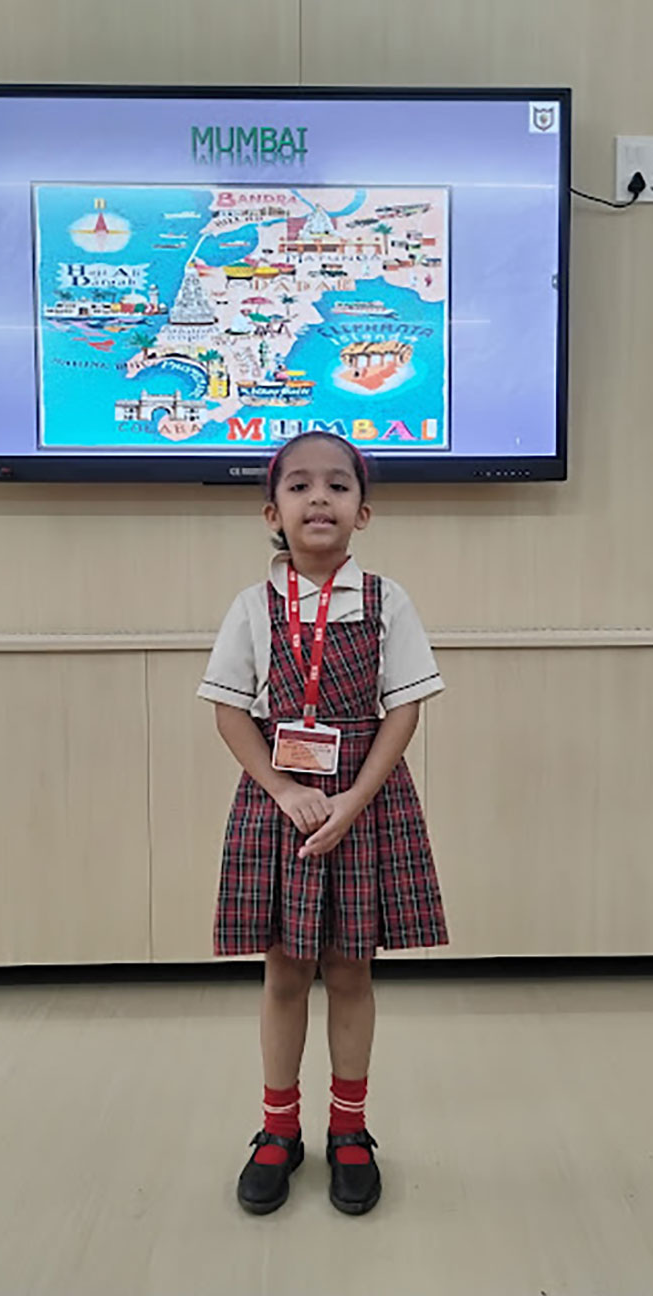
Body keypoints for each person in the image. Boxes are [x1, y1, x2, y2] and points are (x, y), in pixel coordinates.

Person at [198, 431, 448, 1216]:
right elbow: (229, 712)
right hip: (281, 805)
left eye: (338, 486)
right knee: (283, 971)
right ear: (271, 512)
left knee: (350, 969)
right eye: (300, 485)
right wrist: (283, 790)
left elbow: (403, 709)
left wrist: (354, 800)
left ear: (362, 512)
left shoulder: (385, 600)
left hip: (363, 802)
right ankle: (278, 1131)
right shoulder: (253, 606)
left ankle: (349, 1128)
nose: (319, 498)